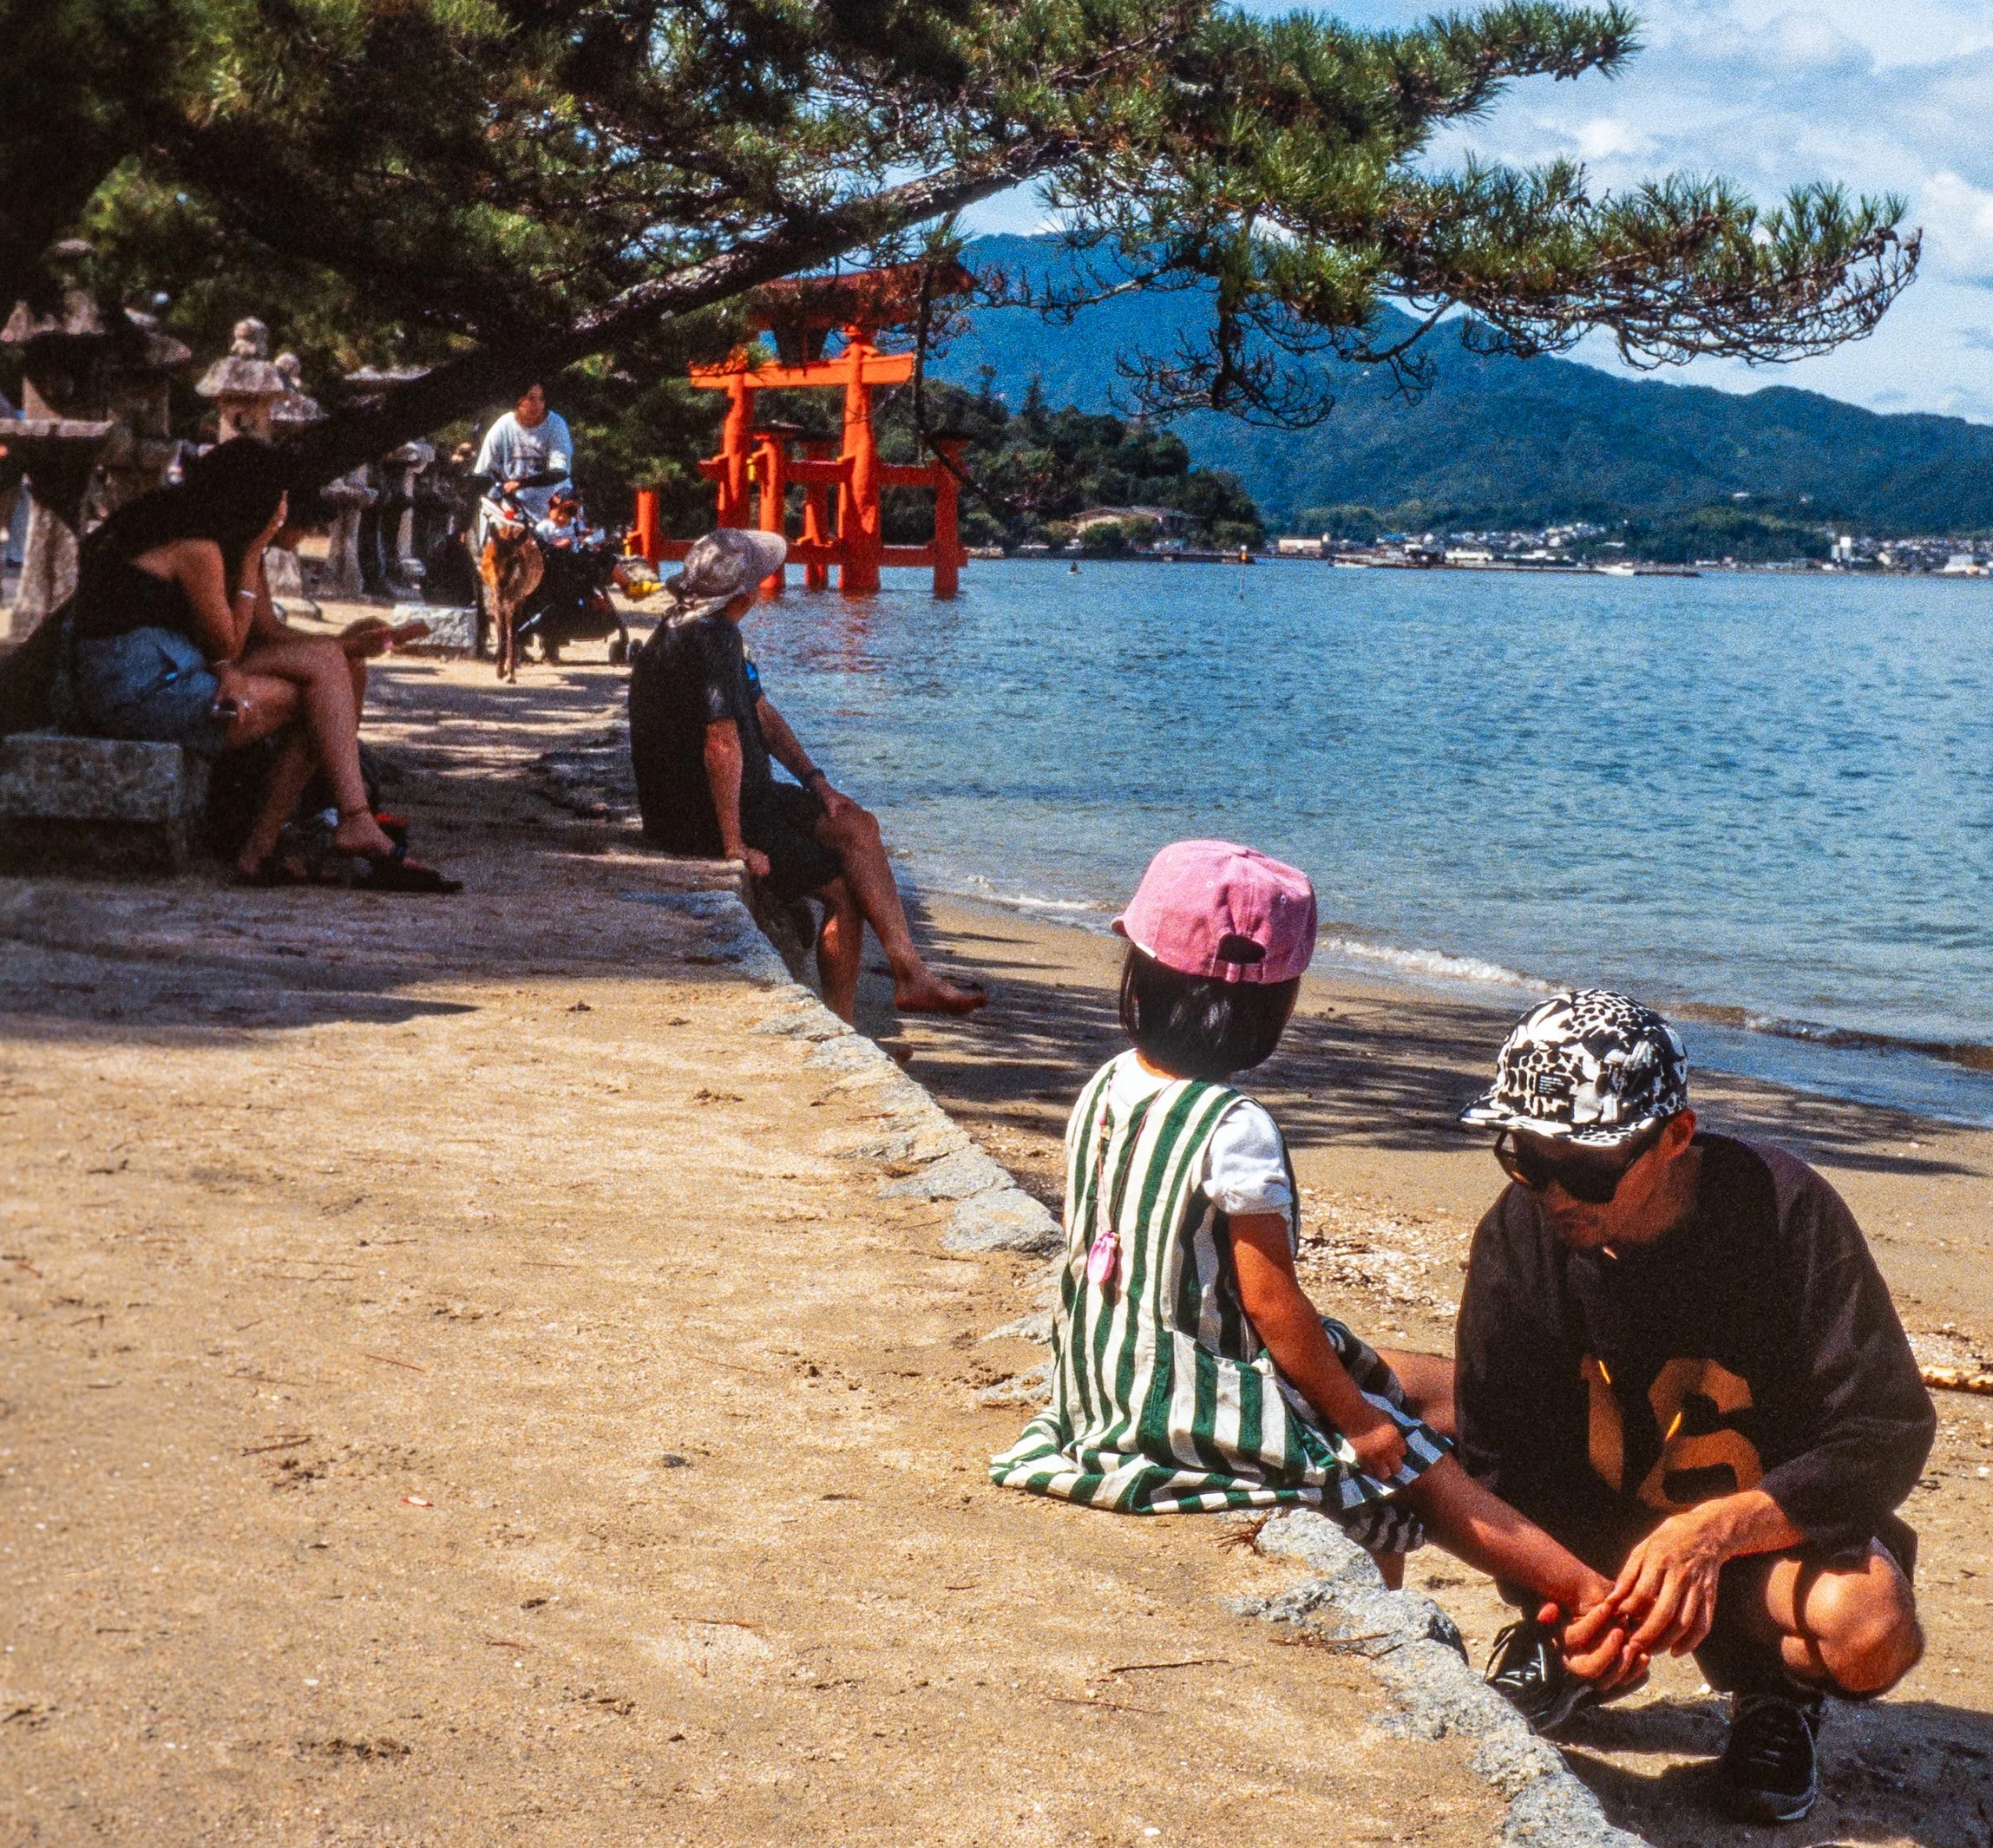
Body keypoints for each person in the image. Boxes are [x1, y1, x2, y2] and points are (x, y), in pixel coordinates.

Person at [990, 842, 1647, 1663]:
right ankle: (1584, 1595)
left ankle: (1550, 1588)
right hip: (1192, 1392)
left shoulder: (1108, 1084)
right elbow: (1270, 1303)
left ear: (1140, 975)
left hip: (1107, 1370)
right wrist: (1357, 1421)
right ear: (1276, 1006)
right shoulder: (1234, 1130)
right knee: (1409, 1460)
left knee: (1434, 1396)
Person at [1453, 988, 1933, 1825]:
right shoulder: (1523, 1233)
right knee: (1360, 1407)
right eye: (1526, 1156)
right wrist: (1569, 1599)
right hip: (1594, 1533)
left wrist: (1715, 1533)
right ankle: (1563, 1645)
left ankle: (1775, 1689)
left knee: (1869, 1631)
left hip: (1753, 1539)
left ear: (1676, 1137)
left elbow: (1886, 1428)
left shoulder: (1784, 1215)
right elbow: (1502, 1446)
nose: (1555, 1193)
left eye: (1588, 1165)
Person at [59, 439, 454, 890]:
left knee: (335, 664)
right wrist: (251, 557)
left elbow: (260, 632)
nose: (283, 514)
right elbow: (229, 644)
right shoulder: (197, 544)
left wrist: (347, 644)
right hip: (138, 688)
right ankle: (295, 836)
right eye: (277, 502)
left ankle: (341, 821)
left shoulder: (215, 534)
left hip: (174, 667)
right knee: (319, 697)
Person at [626, 528, 987, 1021]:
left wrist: (817, 783)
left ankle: (910, 972)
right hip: (699, 815)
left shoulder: (709, 630)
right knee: (843, 893)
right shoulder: (709, 638)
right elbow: (720, 745)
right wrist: (733, 846)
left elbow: (762, 715)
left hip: (746, 797)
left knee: (856, 824)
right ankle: (845, 1023)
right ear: (745, 593)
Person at [474, 383, 574, 525]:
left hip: (548, 511)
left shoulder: (556, 425)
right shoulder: (504, 425)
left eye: (541, 399)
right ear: (518, 401)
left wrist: (521, 483)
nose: (537, 405)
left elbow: (560, 472)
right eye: (531, 399)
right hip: (514, 507)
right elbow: (484, 470)